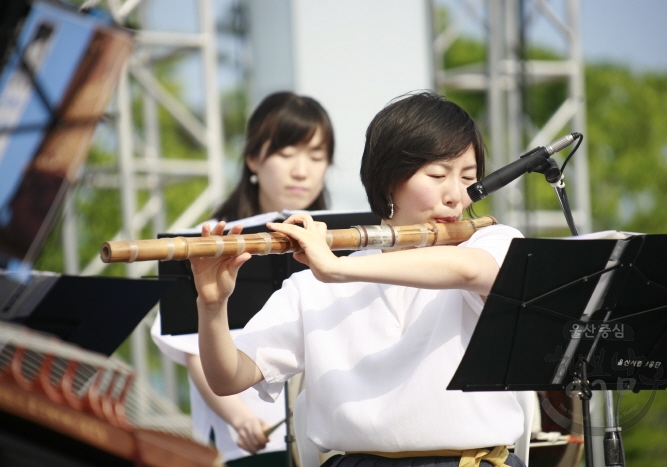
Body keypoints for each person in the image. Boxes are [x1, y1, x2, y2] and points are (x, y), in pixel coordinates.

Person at [191, 91, 528, 467]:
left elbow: (470, 271)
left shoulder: (493, 242)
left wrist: (337, 268)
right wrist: (212, 305)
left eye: (468, 177)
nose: (456, 196)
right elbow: (229, 378)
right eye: (437, 175)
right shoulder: (312, 287)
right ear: (388, 181)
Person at [151, 91, 334, 466]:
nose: (302, 170)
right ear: (253, 158)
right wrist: (240, 418)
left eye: (316, 157)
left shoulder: (336, 241)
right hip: (246, 443)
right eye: (286, 154)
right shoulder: (211, 244)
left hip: (323, 443)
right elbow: (193, 350)